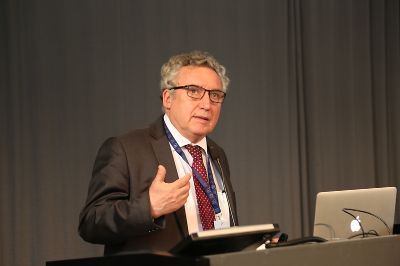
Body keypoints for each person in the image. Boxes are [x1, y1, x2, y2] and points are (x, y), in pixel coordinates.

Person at [78, 50, 238, 255]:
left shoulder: (217, 154)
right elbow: (91, 223)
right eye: (193, 91)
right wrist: (149, 208)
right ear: (167, 98)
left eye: (215, 95)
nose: (207, 104)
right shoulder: (125, 149)